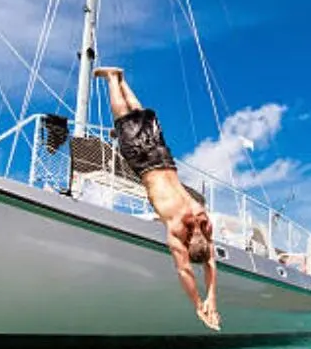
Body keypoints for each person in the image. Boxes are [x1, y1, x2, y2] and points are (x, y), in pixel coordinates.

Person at [94, 66, 220, 331]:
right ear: (186, 247)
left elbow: (210, 263)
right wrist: (199, 304)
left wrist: (212, 298)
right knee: (123, 119)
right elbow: (184, 271)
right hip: (145, 164)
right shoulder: (176, 229)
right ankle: (112, 80)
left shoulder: (203, 220)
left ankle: (122, 79)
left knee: (140, 118)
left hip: (164, 159)